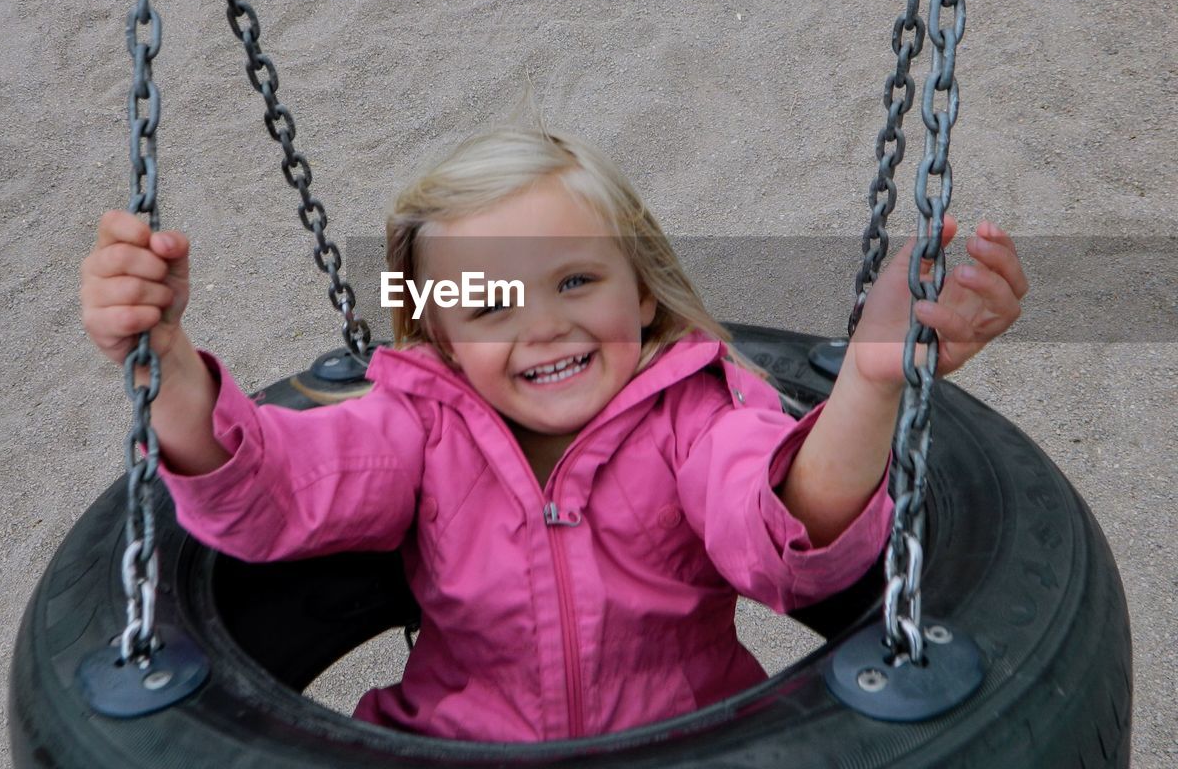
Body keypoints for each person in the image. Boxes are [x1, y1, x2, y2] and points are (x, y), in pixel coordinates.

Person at [79, 129, 1027, 742]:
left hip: (691, 746)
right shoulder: (418, 423)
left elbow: (786, 535)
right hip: (449, 748)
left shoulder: (700, 413)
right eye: (489, 304)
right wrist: (166, 359)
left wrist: (870, 380)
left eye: (575, 282)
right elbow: (274, 494)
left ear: (642, 288)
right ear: (438, 330)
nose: (542, 327)